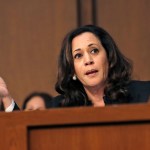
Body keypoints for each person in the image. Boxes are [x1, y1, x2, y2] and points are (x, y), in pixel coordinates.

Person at [51, 24, 150, 107]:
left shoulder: (144, 94)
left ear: (109, 57)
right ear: (72, 70)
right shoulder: (58, 107)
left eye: (94, 51)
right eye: (78, 55)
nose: (88, 60)